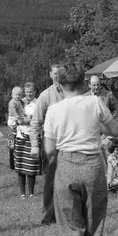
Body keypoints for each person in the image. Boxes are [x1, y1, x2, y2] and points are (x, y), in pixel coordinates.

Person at [43, 63, 118, 236]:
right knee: (93, 226)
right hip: (93, 166)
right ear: (83, 83)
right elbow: (115, 131)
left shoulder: (54, 110)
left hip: (66, 165)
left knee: (70, 228)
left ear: (59, 83)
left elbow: (49, 149)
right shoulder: (95, 102)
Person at [34, 64, 68, 226]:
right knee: (51, 180)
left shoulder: (70, 92)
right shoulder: (45, 96)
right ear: (50, 75)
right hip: (51, 143)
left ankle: (67, 213)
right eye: (55, 73)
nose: (57, 76)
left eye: (60, 73)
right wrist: (34, 145)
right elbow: (35, 122)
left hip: (69, 141)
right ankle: (49, 215)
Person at [7, 85, 39, 198]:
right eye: (27, 92)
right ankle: (22, 193)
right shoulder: (18, 102)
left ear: (35, 92)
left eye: (31, 92)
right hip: (20, 136)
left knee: (31, 165)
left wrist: (28, 120)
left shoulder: (38, 103)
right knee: (20, 164)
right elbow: (11, 120)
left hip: (32, 136)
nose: (29, 94)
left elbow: (38, 119)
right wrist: (22, 121)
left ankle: (31, 192)